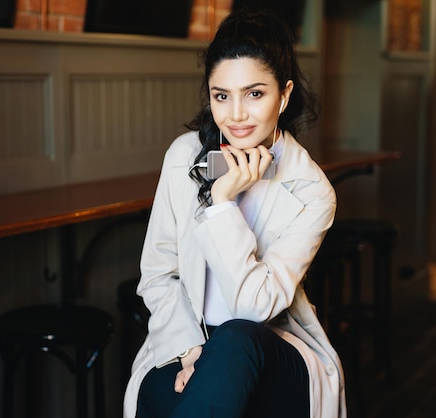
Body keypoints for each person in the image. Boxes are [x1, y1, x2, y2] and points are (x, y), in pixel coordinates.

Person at [123, 9, 346, 418]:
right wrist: (192, 351)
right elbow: (158, 274)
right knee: (162, 398)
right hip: (185, 340)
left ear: (285, 94)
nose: (236, 114)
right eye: (221, 95)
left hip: (271, 347)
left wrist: (222, 203)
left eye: (254, 93)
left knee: (236, 338)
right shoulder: (184, 156)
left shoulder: (313, 191)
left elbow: (253, 309)